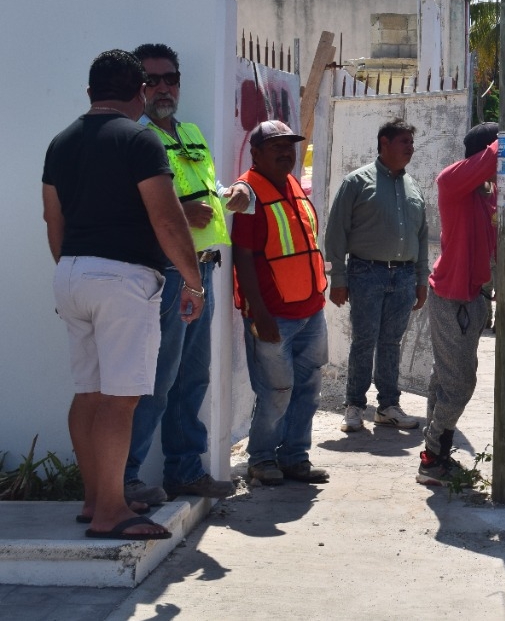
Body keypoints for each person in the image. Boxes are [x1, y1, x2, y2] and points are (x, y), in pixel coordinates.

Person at [42, 49, 205, 540]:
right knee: (122, 399)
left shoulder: (61, 141)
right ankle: (113, 511)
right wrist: (193, 280)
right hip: (124, 280)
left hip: (72, 272)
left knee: (88, 393)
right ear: (138, 92)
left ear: (90, 92)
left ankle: (94, 499)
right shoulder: (140, 140)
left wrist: (73, 270)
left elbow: (54, 219)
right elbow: (167, 217)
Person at [123, 44, 252, 506]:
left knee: (191, 378)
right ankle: (126, 480)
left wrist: (236, 192)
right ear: (138, 87)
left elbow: (209, 189)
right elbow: (126, 209)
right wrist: (180, 212)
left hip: (203, 271)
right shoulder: (134, 137)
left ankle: (184, 471)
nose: (162, 88)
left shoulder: (190, 131)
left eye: (170, 78)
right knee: (157, 379)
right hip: (166, 274)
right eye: (151, 80)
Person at [231, 120, 330, 486]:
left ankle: (294, 457)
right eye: (277, 147)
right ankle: (261, 460)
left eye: (290, 146)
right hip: (275, 316)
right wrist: (260, 313)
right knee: (276, 391)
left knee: (307, 388)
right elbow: (243, 257)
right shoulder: (251, 191)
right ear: (256, 154)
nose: (286, 152)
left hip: (310, 312)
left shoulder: (291, 184)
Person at [326, 118, 430, 433]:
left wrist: (421, 280)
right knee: (364, 341)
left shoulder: (413, 186)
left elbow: (422, 236)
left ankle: (387, 407)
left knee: (391, 343)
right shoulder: (357, 182)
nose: (410, 149)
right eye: (404, 143)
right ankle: (355, 406)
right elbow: (336, 234)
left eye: (411, 143)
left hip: (403, 277)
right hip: (366, 272)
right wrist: (339, 278)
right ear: (384, 143)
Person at [416, 122, 499, 487]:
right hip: (453, 299)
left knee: (444, 380)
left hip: (472, 299)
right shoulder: (451, 182)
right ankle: (432, 457)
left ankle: (435, 454)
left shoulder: (485, 195)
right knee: (460, 384)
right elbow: (497, 154)